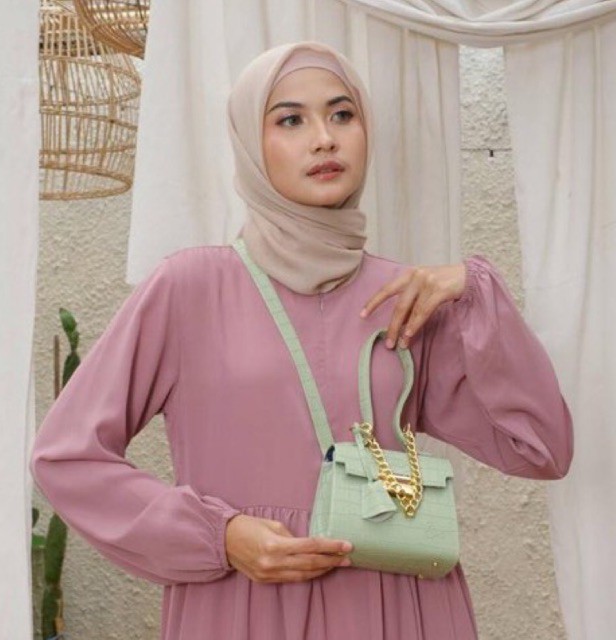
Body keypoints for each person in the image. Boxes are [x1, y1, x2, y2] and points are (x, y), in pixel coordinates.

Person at [30, 40, 574, 640]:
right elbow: (66, 456)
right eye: (291, 120)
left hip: (399, 607)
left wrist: (475, 291)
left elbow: (540, 447)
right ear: (250, 143)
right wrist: (220, 536)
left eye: (342, 114)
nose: (324, 139)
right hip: (246, 606)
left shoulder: (407, 298)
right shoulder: (189, 288)